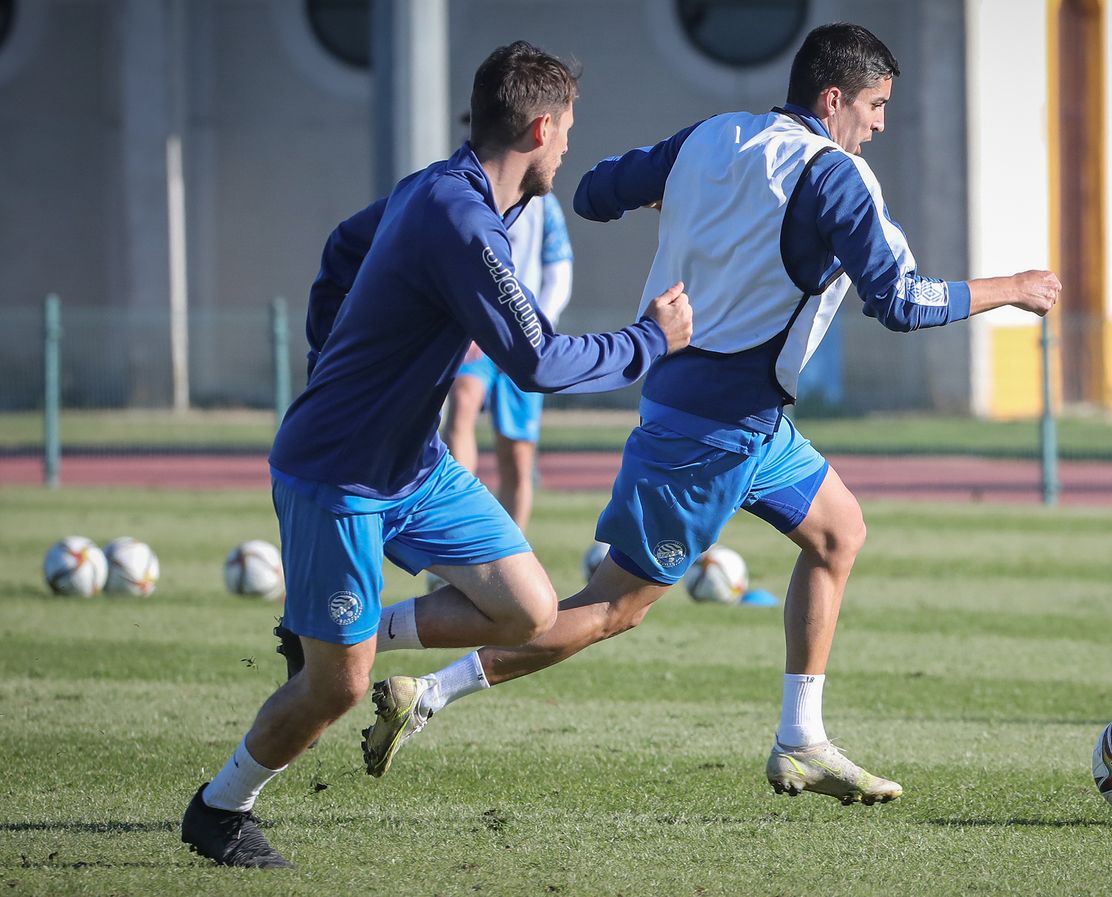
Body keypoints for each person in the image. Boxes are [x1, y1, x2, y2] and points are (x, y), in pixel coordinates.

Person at [361, 22, 1059, 806]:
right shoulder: (837, 176)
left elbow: (591, 193)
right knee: (608, 609)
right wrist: (1013, 287)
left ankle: (801, 739)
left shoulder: (713, 135)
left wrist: (697, 194)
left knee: (839, 533)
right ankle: (402, 670)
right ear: (834, 99)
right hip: (712, 432)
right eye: (876, 104)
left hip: (742, 415)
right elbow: (898, 300)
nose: (881, 123)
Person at [178, 41, 692, 868]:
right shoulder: (462, 220)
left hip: (412, 466)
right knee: (337, 689)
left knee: (526, 608)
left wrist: (332, 350)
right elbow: (539, 361)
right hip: (337, 474)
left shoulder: (434, 189)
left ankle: (342, 633)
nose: (567, 149)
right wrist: (649, 341)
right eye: (565, 132)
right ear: (538, 124)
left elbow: (343, 249)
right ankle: (219, 808)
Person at [442, 191, 575, 530]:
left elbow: (559, 271)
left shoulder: (543, 205)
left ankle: (511, 554)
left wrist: (534, 331)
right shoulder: (463, 196)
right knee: (462, 401)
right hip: (475, 335)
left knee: (516, 456)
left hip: (524, 339)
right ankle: (457, 526)